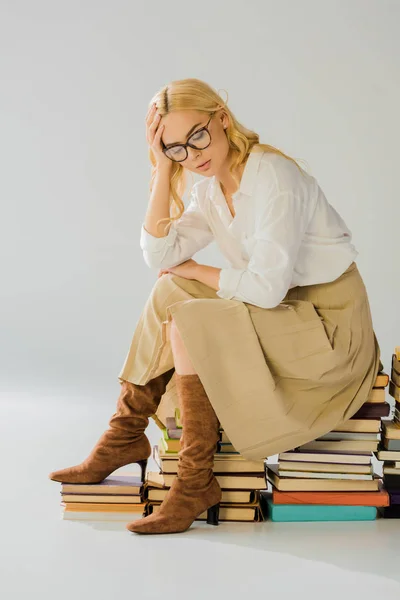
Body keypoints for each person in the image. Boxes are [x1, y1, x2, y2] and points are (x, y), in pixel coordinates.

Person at [49, 77, 382, 535]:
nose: (194, 154)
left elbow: (265, 289)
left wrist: (201, 272)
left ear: (222, 120)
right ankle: (124, 436)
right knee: (169, 293)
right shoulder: (209, 190)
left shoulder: (273, 178)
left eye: (198, 135)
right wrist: (163, 172)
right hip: (285, 314)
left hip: (328, 331)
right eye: (177, 148)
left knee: (188, 315)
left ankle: (193, 481)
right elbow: (159, 257)